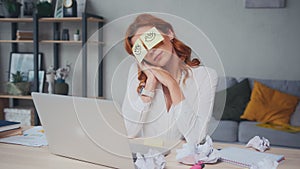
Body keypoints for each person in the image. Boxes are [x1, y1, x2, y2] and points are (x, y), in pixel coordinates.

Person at [122, 14, 218, 145]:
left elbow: (197, 137)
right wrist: (149, 86)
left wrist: (172, 84)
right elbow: (128, 132)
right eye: (141, 49)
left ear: (169, 33)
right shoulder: (137, 73)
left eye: (150, 39)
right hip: (146, 158)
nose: (150, 50)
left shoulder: (205, 76)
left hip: (180, 160)